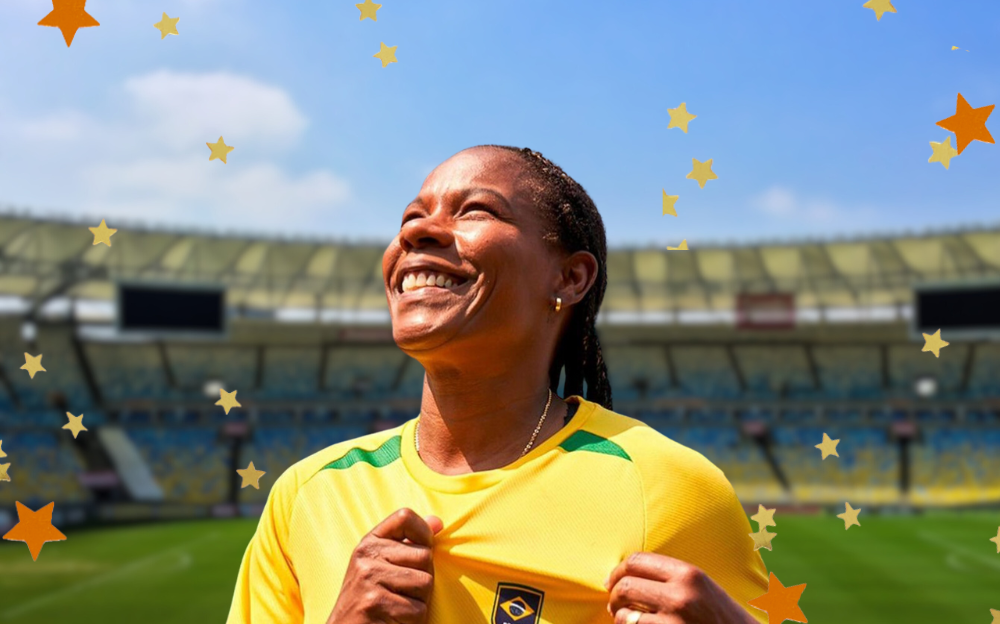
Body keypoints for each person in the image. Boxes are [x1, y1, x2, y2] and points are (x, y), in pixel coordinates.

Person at [226, 145, 770, 624]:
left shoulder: (669, 489)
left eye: (475, 210)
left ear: (570, 277)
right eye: (412, 216)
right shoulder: (308, 493)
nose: (414, 231)